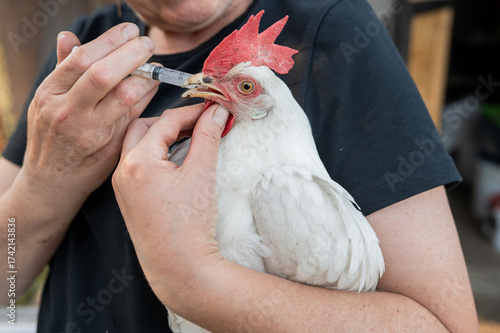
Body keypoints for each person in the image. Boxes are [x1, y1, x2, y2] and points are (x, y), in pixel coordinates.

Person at [0, 0, 478, 331]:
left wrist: (192, 280)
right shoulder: (89, 54)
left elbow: (439, 326)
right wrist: (47, 182)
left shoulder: (340, 35)